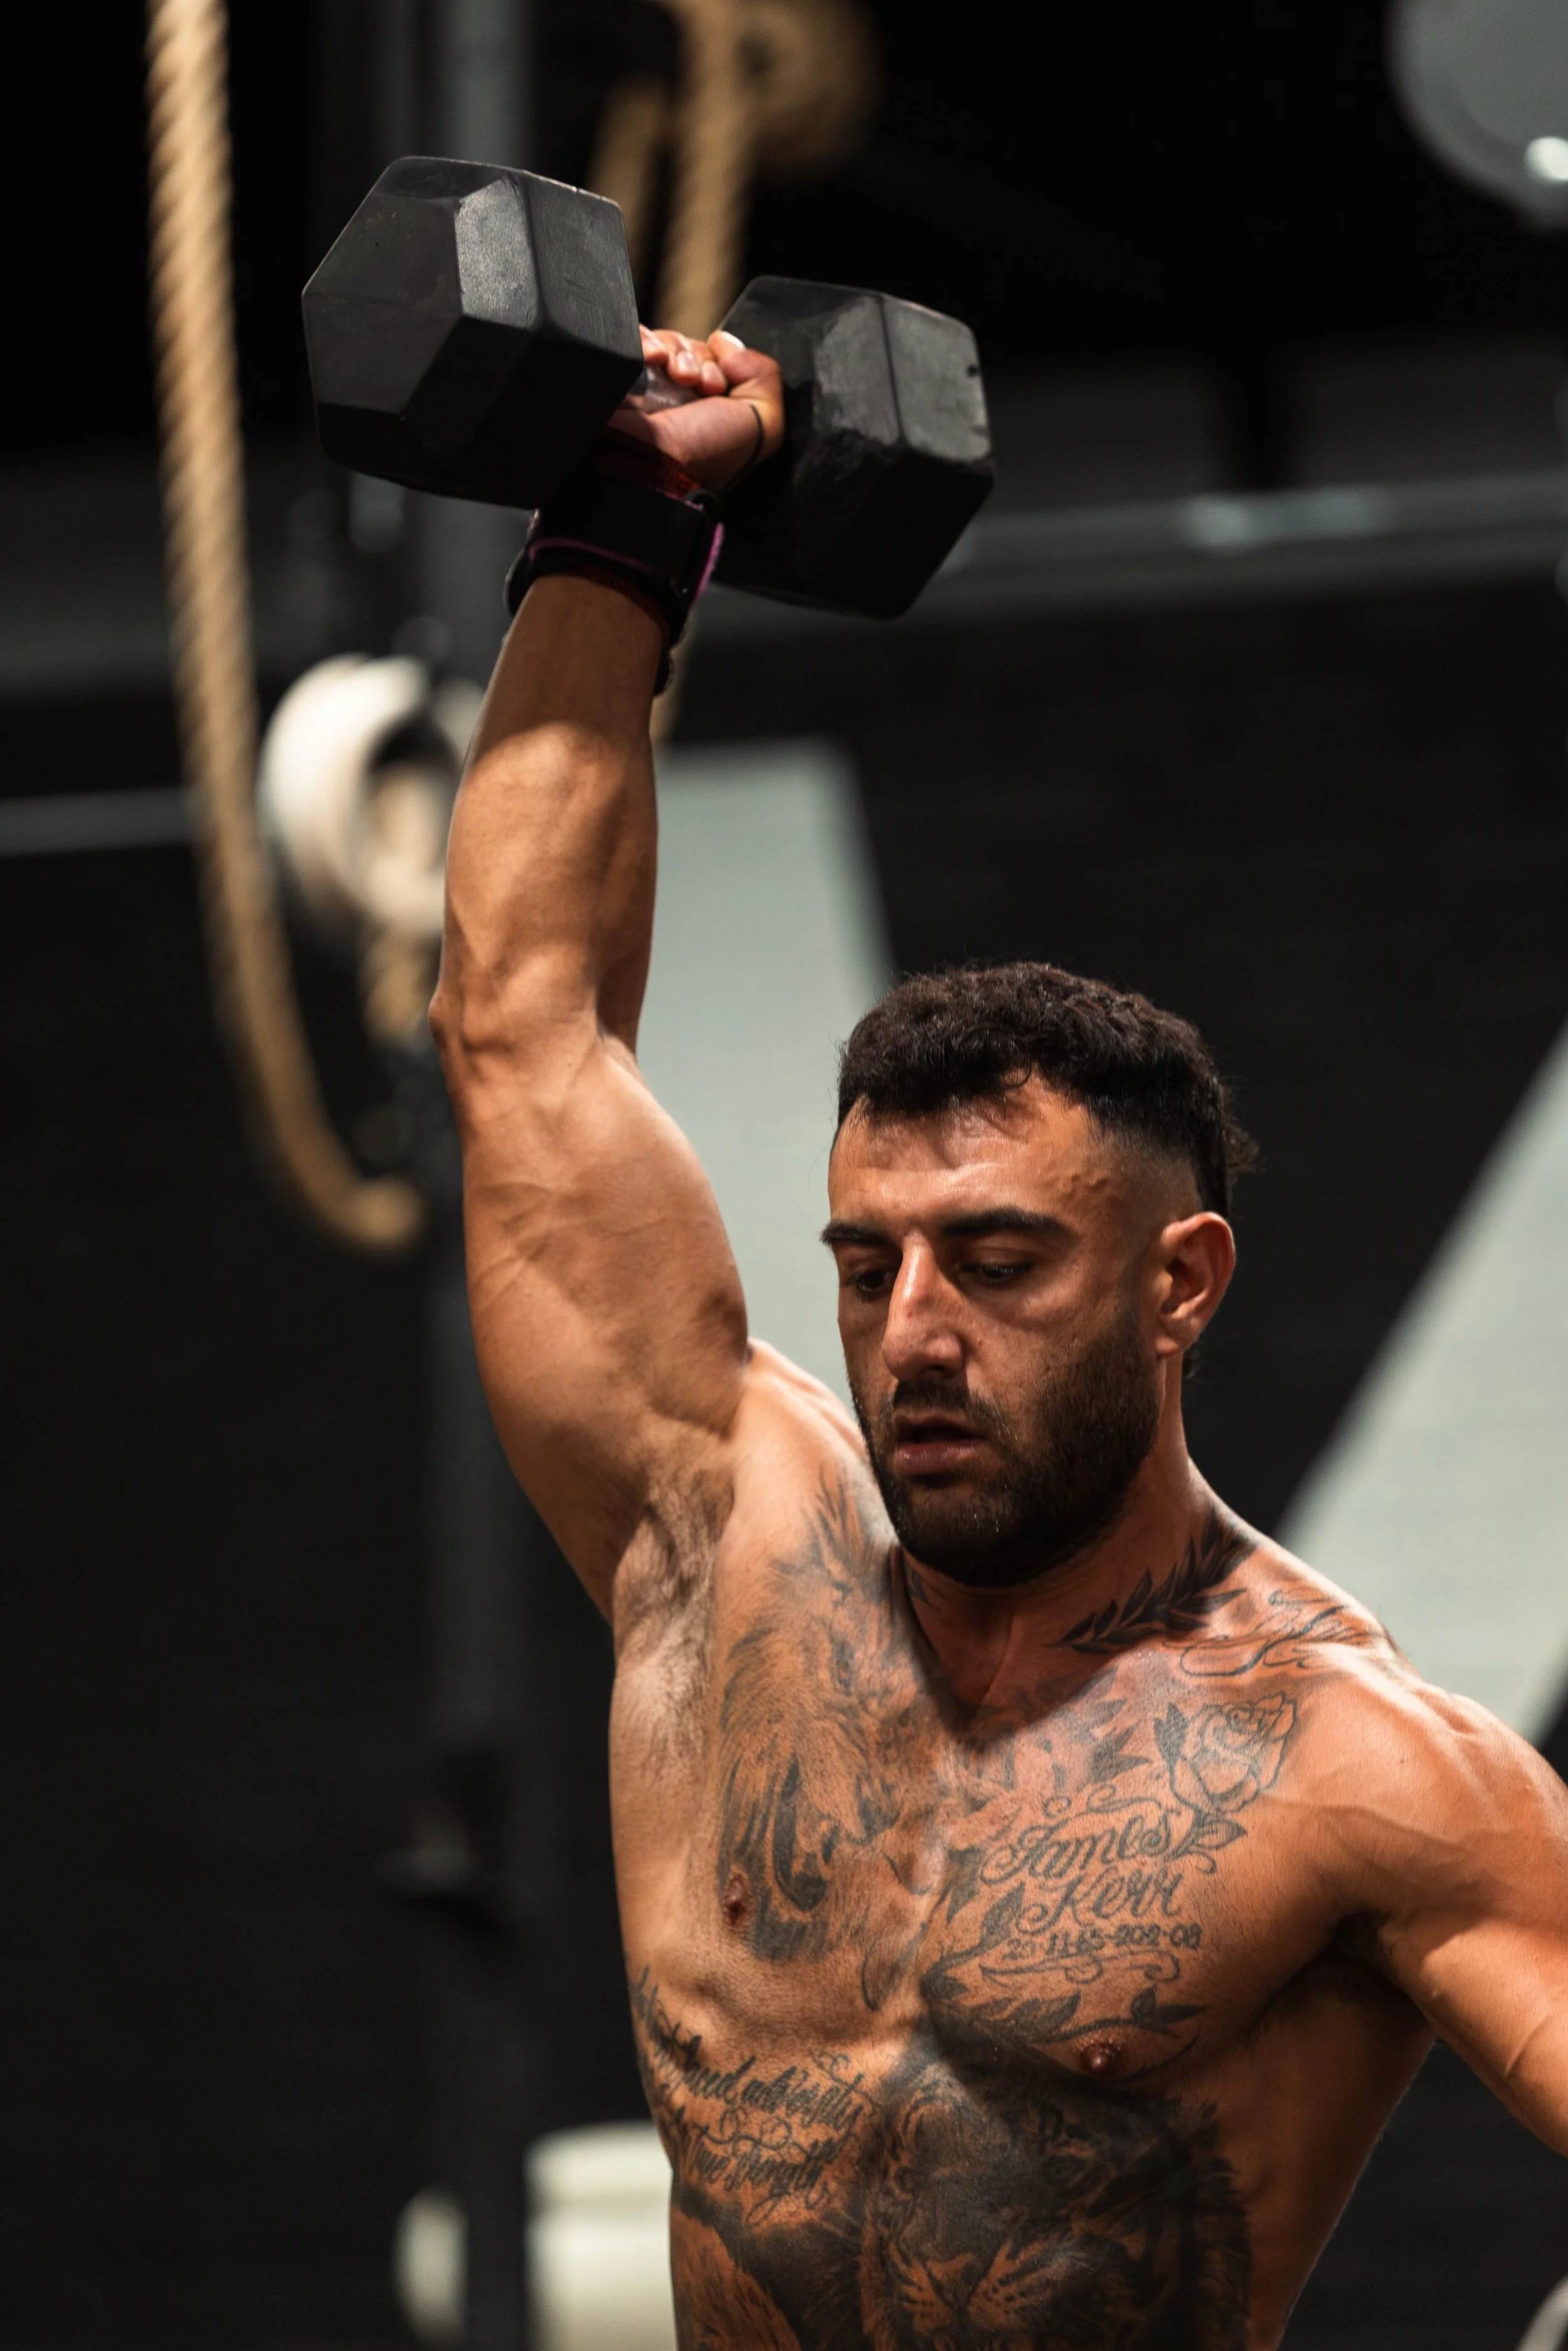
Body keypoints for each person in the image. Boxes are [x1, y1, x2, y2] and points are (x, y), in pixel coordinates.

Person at [430, 323, 1568, 2349]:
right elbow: (526, 1028)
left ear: (1179, 1279)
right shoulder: (721, 1543)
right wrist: (625, 516)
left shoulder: (1362, 1772)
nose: (913, 1333)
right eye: (868, 1266)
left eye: (999, 1258)